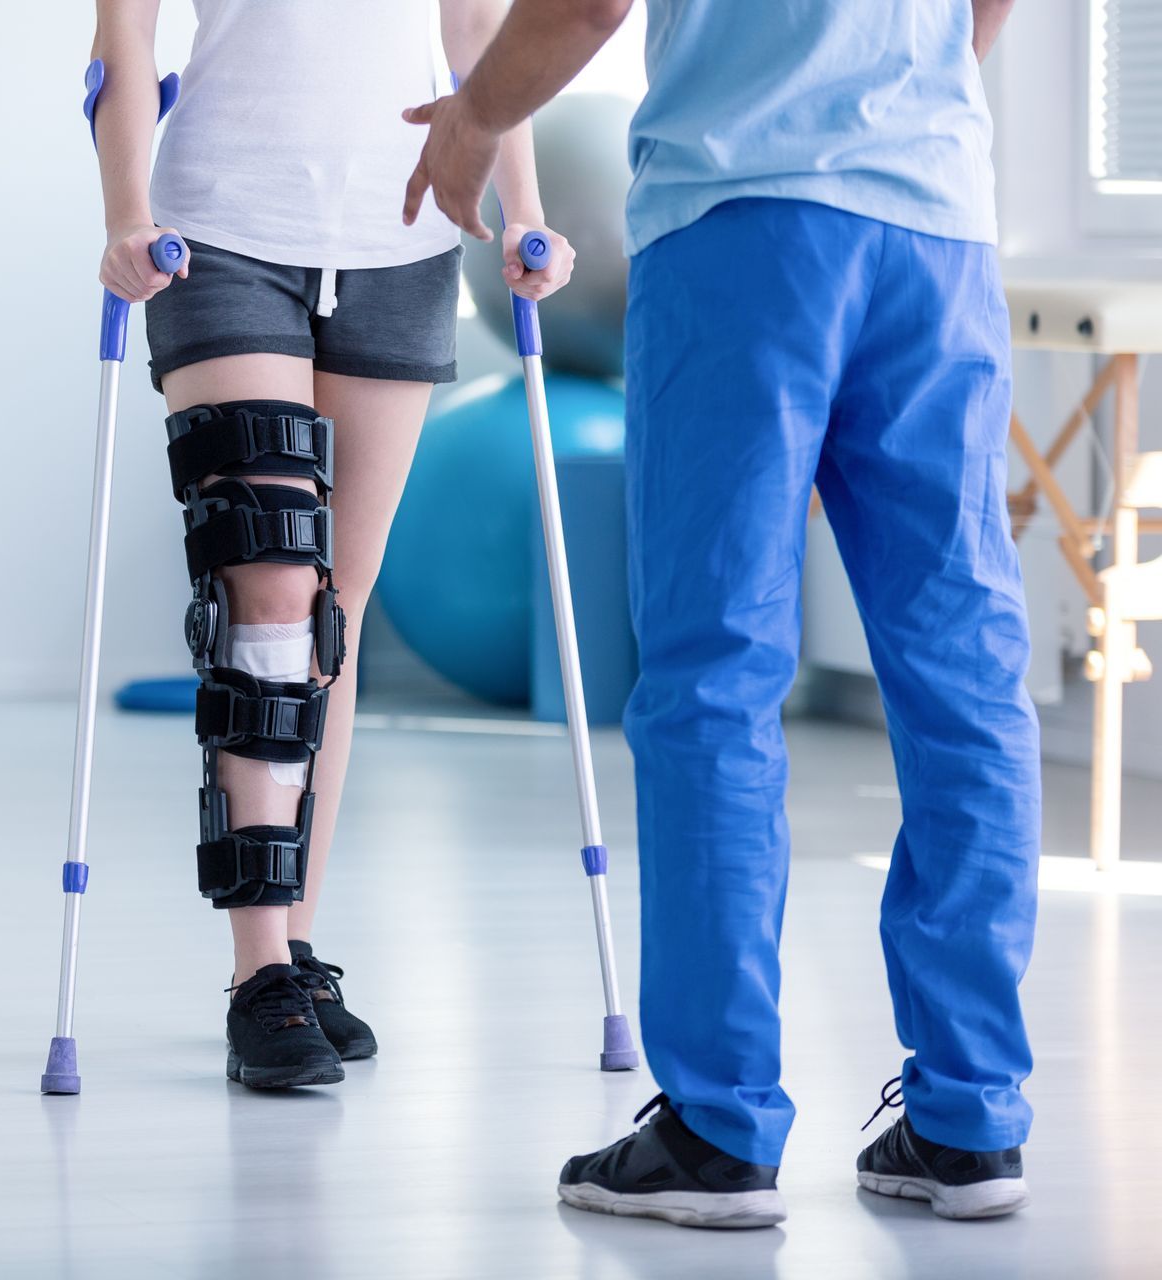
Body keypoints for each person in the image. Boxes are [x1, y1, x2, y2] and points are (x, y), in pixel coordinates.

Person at [404, 0, 1034, 1227]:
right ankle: (970, 1120)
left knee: (714, 675)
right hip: (937, 234)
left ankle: (720, 1127)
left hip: (745, 221)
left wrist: (478, 114)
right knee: (965, 675)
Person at [90, 0, 574, 1089]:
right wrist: (125, 213)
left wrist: (526, 213)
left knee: (325, 617)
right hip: (216, 234)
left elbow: (483, 35)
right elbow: (123, 42)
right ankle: (257, 968)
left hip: (404, 234)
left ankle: (298, 943)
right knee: (262, 593)